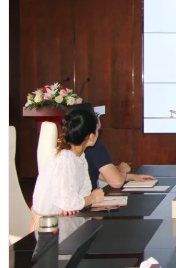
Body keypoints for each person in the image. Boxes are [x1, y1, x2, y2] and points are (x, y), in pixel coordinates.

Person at [30, 109, 105, 242]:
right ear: (91, 137)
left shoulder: (79, 156)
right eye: (97, 131)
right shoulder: (65, 157)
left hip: (64, 224)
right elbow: (70, 203)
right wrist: (93, 198)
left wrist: (79, 203)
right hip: (49, 231)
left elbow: (79, 196)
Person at [68, 104, 156, 189]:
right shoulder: (94, 145)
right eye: (97, 115)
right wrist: (122, 170)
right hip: (89, 197)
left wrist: (131, 177)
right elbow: (116, 182)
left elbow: (97, 173)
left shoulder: (70, 144)